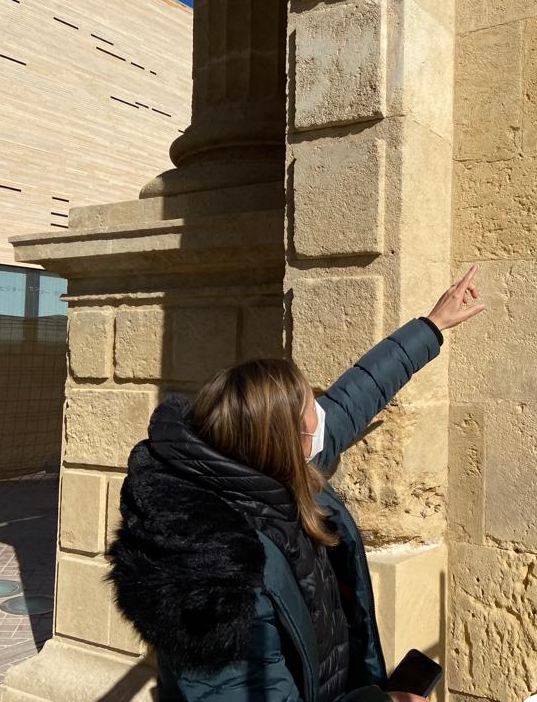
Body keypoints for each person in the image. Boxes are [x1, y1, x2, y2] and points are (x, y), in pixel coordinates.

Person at [107, 265, 485, 702]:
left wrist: (431, 327)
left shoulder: (255, 465)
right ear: (283, 442)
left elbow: (349, 402)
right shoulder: (209, 575)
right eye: (311, 420)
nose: (323, 425)